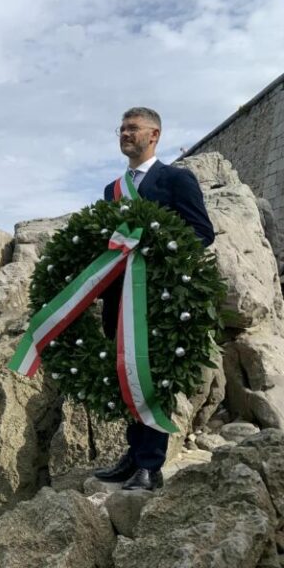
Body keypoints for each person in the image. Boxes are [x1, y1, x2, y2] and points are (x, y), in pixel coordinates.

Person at [93, 107, 215, 490]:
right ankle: (133, 455)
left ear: (155, 135)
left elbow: (201, 233)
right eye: (122, 128)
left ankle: (151, 464)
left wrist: (152, 252)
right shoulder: (112, 191)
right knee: (126, 375)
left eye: (133, 128)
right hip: (119, 299)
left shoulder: (176, 179)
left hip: (157, 299)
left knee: (152, 377)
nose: (125, 134)